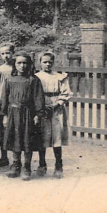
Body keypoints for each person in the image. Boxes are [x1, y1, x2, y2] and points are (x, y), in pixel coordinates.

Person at [0, 53, 44, 180]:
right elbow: (4, 98)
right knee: (15, 139)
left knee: (27, 139)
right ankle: (16, 165)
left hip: (28, 114)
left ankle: (27, 167)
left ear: (29, 64)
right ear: (14, 64)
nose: (22, 66)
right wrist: (4, 115)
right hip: (13, 113)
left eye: (25, 63)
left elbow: (38, 98)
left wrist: (37, 114)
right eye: (19, 63)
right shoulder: (9, 79)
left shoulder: (33, 80)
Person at [36, 51, 71, 179]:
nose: (47, 64)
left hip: (56, 109)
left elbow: (66, 93)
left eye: (50, 62)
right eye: (44, 62)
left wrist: (57, 104)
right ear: (40, 63)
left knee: (57, 137)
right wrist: (40, 107)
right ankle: (42, 164)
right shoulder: (36, 77)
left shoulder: (60, 77)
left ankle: (58, 165)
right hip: (42, 108)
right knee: (42, 137)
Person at [0, 41, 15, 168]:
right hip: (1, 103)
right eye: (3, 54)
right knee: (2, 131)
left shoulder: (17, 67)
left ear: (13, 53)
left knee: (14, 131)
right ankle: (3, 156)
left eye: (8, 53)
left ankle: (15, 159)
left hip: (14, 103)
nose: (6, 56)